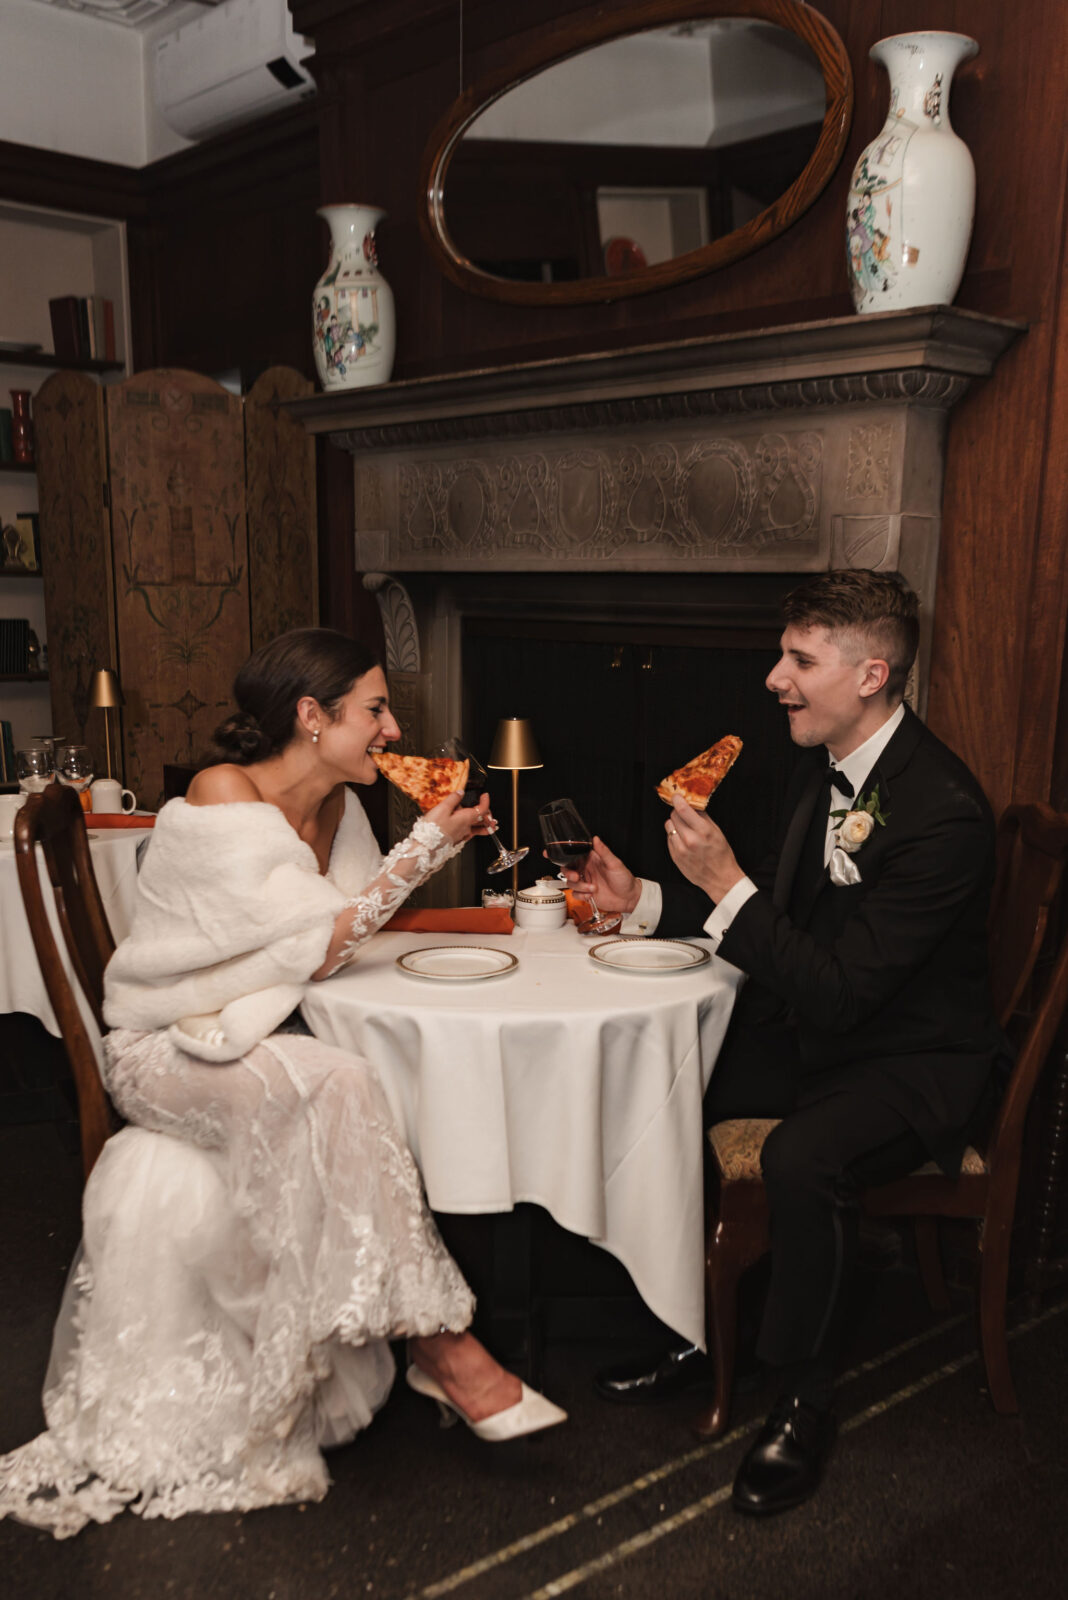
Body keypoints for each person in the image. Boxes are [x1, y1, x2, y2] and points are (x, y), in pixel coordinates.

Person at [0, 627, 564, 1539]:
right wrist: (427, 843)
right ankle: (442, 1348)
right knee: (341, 1082)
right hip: (162, 1053)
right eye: (375, 709)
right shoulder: (222, 794)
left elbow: (356, 927)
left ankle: (436, 1343)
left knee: (344, 1076)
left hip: (246, 1038)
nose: (391, 729)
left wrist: (510, 915)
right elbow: (325, 940)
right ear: (312, 716)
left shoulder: (341, 805)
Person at [569, 570, 1004, 1516]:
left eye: (801, 660)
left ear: (872, 674)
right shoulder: (828, 766)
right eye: (783, 654)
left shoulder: (943, 814)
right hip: (831, 1029)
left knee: (804, 1158)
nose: (775, 678)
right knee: (674, 1076)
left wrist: (728, 887)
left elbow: (844, 991)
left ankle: (804, 1401)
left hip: (914, 1063)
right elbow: (789, 915)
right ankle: (699, 1329)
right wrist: (643, 899)